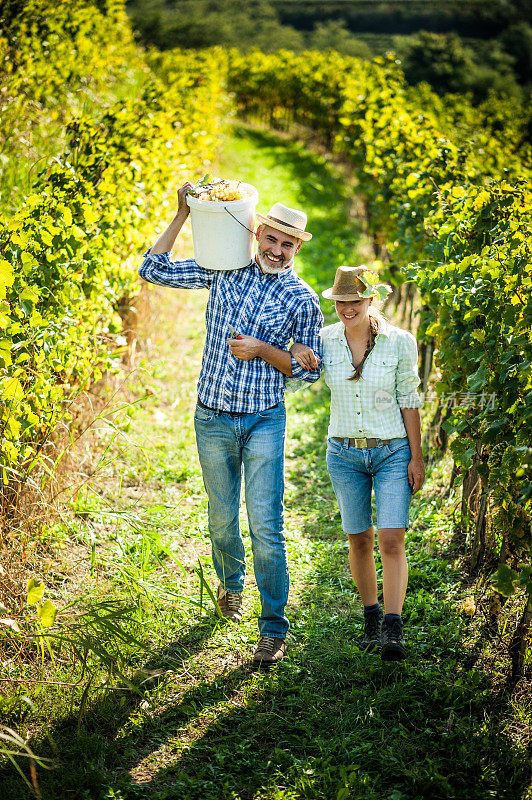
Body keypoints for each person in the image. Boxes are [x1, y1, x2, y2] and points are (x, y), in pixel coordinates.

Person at [139, 182, 323, 667]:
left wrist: (265, 351)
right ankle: (232, 586)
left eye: (288, 245)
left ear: (296, 248)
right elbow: (153, 269)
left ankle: (272, 629)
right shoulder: (224, 271)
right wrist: (181, 215)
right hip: (213, 417)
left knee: (266, 526)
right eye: (272, 239)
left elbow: (309, 370)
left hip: (264, 421)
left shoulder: (302, 299)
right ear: (258, 232)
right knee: (222, 520)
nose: (278, 251)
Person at [291, 265, 424, 661]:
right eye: (341, 302)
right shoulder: (324, 340)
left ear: (371, 300)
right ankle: (371, 616)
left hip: (392, 451)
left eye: (355, 301)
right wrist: (297, 351)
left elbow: (410, 399)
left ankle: (393, 628)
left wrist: (416, 456)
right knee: (359, 538)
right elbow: (297, 377)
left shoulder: (400, 342)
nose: (347, 308)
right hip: (344, 453)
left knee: (391, 539)